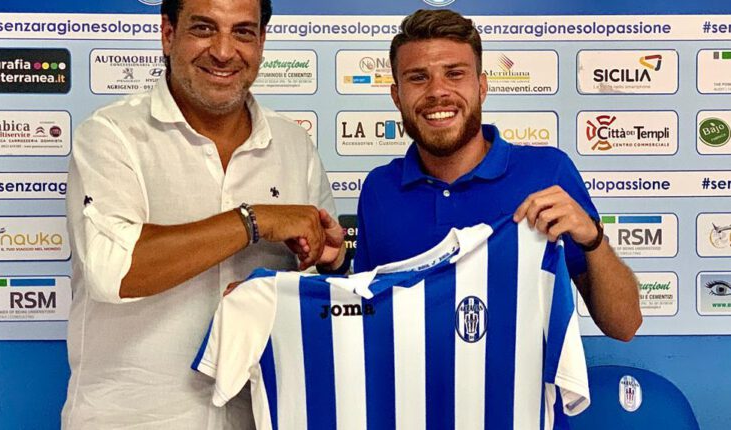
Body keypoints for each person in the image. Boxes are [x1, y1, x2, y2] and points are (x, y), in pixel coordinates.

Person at [61, 0, 346, 428]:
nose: (224, 51)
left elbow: (319, 301)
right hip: (133, 420)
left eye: (243, 32)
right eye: (204, 29)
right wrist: (253, 221)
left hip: (261, 418)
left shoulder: (294, 145)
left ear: (261, 42)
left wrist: (330, 265)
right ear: (168, 34)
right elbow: (112, 270)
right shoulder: (111, 136)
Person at [354, 9, 641, 342]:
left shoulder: (548, 171)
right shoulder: (379, 188)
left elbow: (624, 326)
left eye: (454, 74)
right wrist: (332, 269)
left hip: (524, 379)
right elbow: (365, 318)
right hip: (407, 378)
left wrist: (592, 238)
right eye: (418, 78)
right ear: (396, 96)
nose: (437, 91)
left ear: (482, 87)